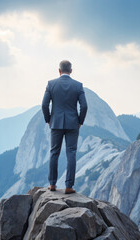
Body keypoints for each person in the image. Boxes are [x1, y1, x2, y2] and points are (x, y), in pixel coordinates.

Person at [41, 60, 88, 194]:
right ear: (71, 71)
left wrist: (48, 119)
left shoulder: (51, 84)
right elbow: (84, 106)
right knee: (71, 153)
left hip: (56, 123)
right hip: (73, 123)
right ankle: (69, 186)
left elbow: (44, 105)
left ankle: (52, 184)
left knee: (54, 152)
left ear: (59, 70)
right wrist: (80, 121)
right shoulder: (78, 86)